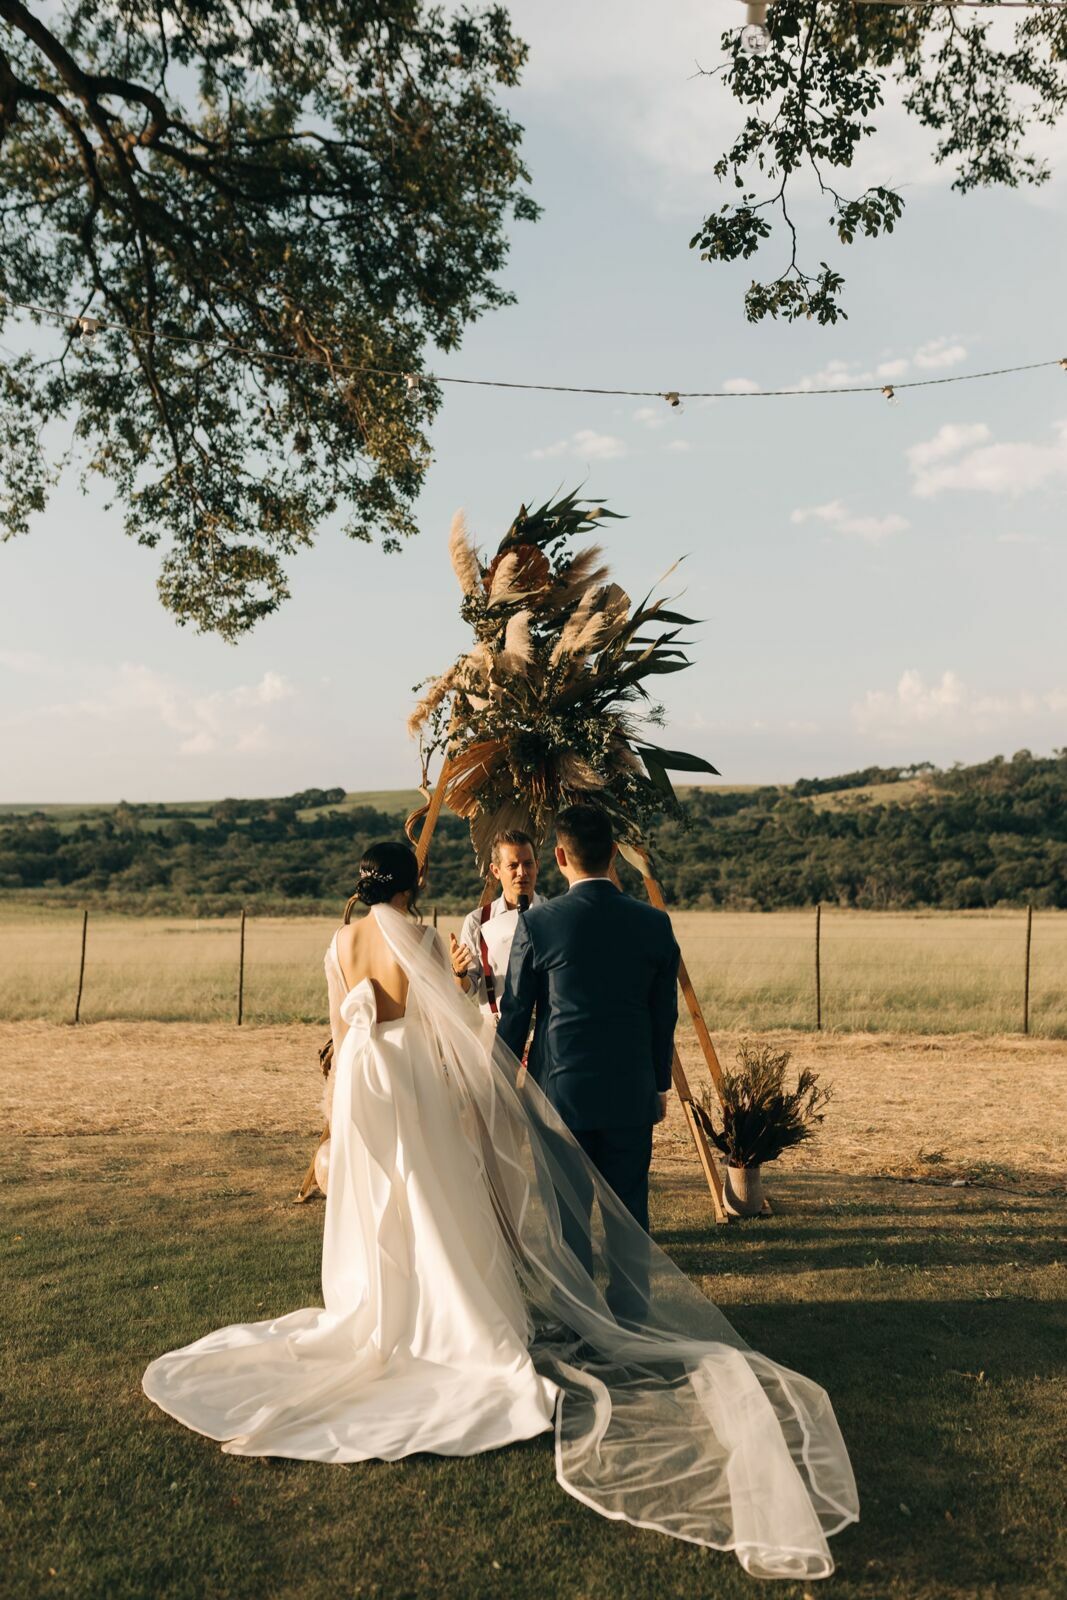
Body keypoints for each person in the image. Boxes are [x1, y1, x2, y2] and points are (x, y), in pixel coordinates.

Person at [142, 838, 857, 1579]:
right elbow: (441, 1017)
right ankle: (449, 1311)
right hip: (410, 1074)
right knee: (431, 1192)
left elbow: (335, 1027)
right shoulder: (418, 936)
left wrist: (334, 1108)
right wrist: (470, 1057)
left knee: (379, 1198)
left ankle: (377, 1305)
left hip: (361, 1079)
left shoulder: (338, 939)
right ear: (411, 880)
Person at [496, 804, 678, 1323]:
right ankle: (632, 1323)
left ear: (558, 857)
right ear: (614, 852)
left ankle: (579, 1325)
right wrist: (658, 1084)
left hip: (559, 1099)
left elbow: (514, 1017)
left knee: (567, 1223)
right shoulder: (654, 925)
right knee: (630, 1220)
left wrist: (495, 1080)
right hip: (630, 1093)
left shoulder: (538, 924)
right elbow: (662, 1016)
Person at [450, 829, 544, 1019]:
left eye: (528, 864)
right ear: (496, 870)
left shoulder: (555, 915)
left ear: (537, 866)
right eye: (513, 865)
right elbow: (468, 991)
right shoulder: (477, 921)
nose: (522, 872)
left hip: (546, 1035)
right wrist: (459, 972)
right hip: (496, 1035)